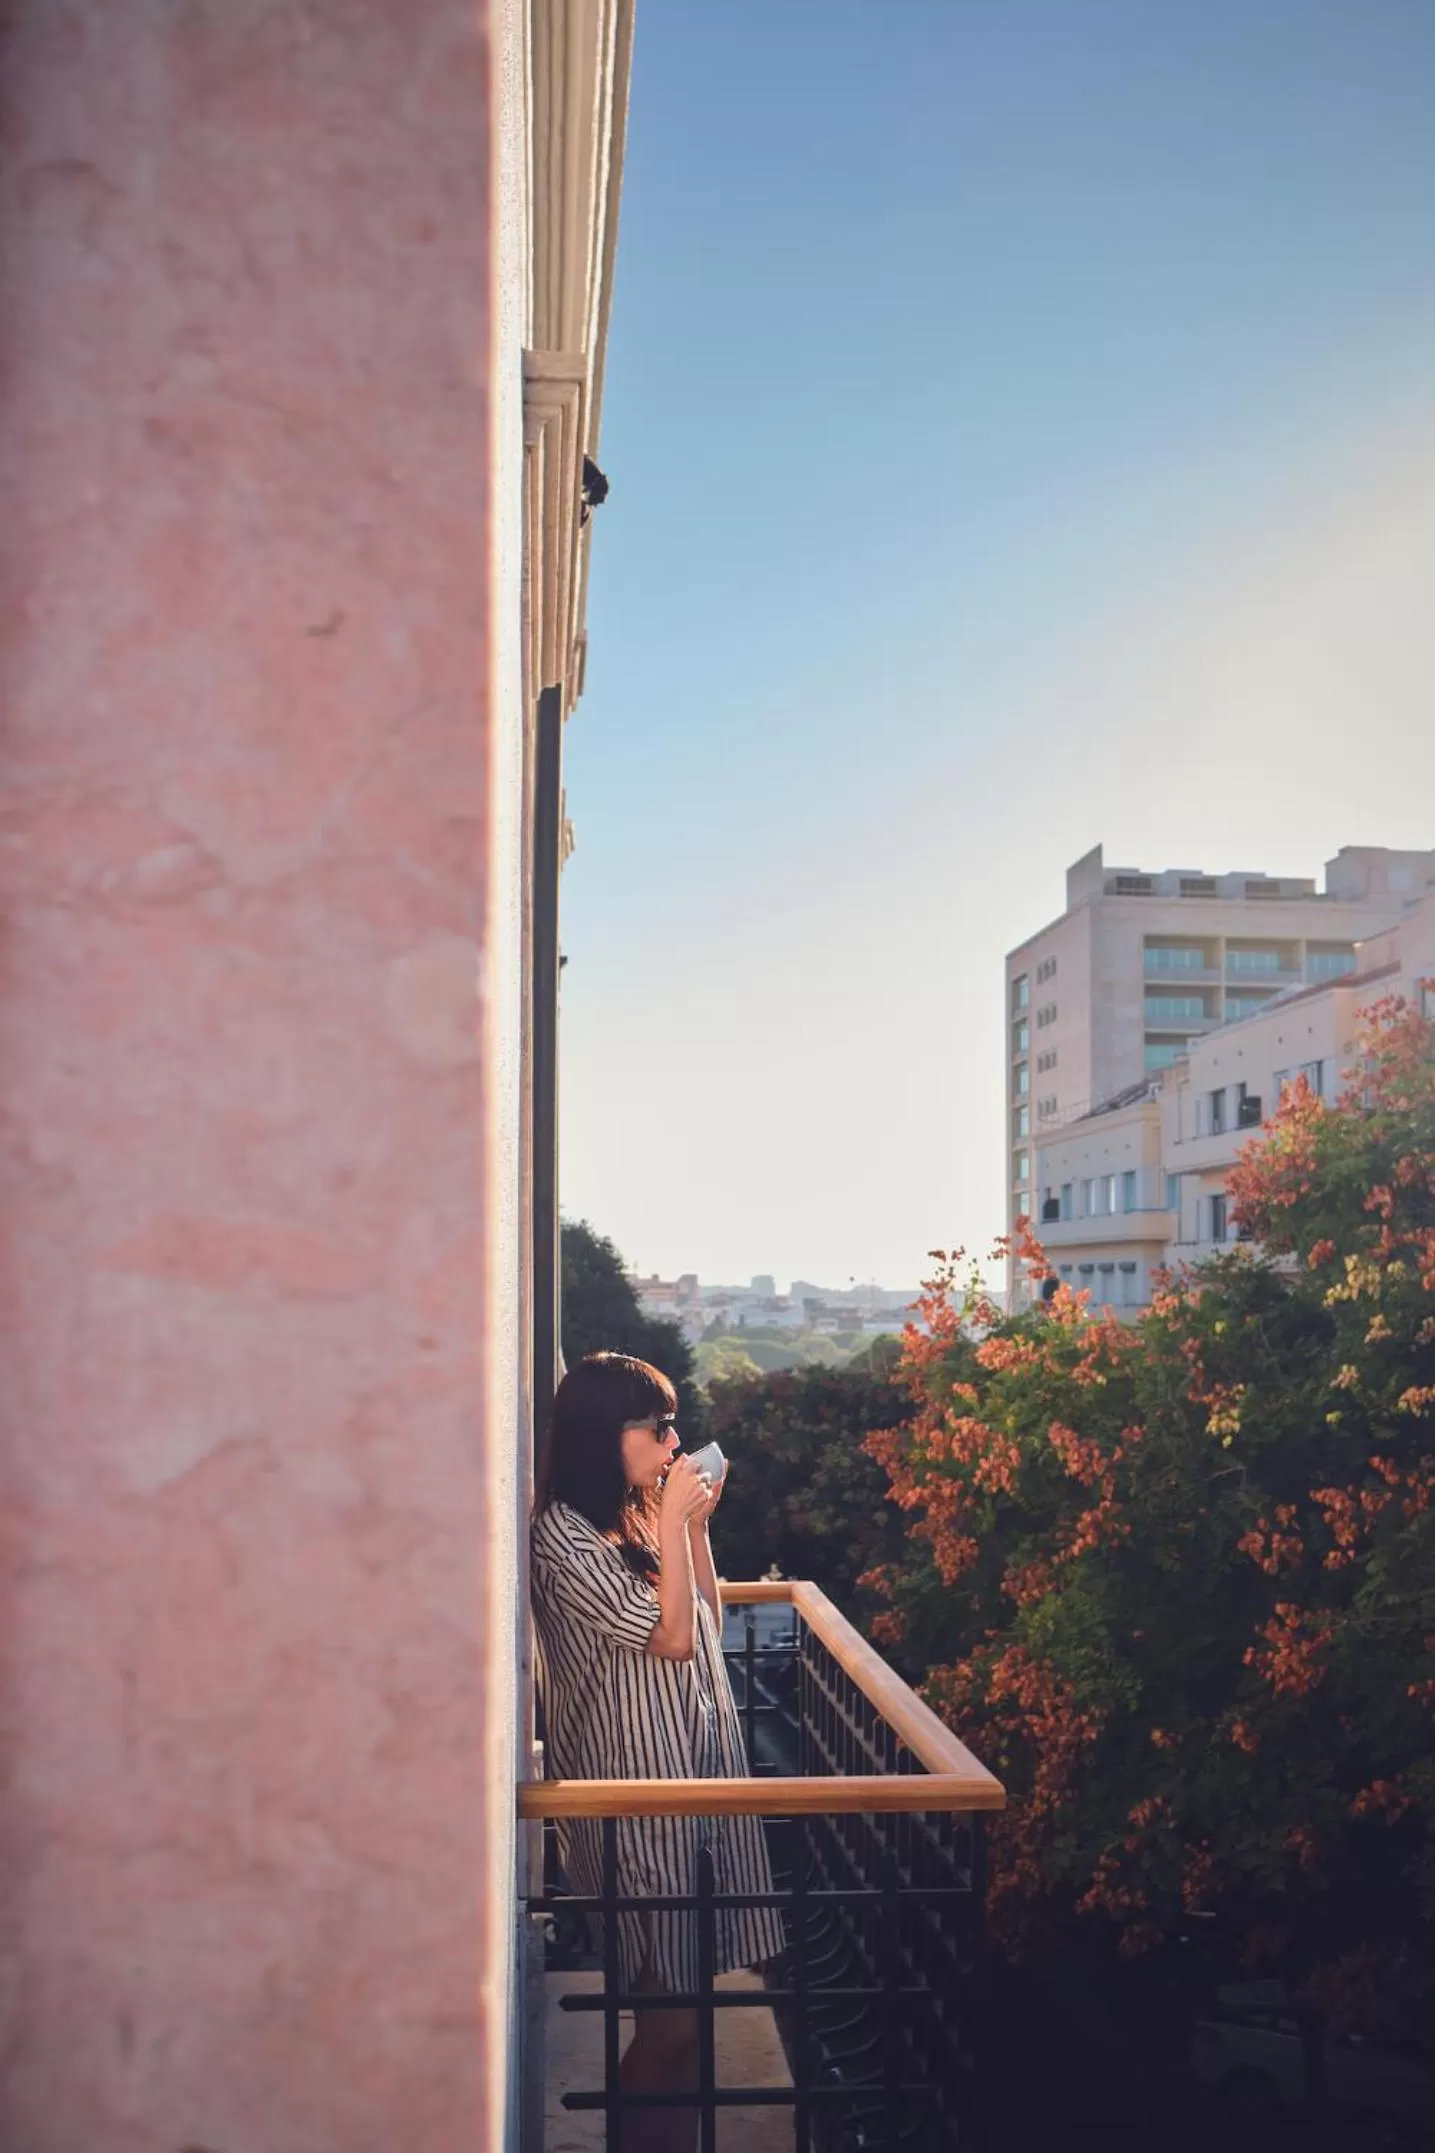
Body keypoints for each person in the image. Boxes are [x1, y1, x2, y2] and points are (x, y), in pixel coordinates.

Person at [531, 1351, 785, 2153]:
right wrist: (674, 1521)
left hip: (691, 1789)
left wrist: (694, 1530)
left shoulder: (633, 1517)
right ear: (604, 1436)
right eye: (657, 1426)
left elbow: (703, 1614)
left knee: (688, 2026)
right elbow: (671, 1640)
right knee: (669, 2028)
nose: (673, 1441)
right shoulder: (561, 1540)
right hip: (634, 1808)